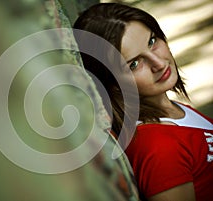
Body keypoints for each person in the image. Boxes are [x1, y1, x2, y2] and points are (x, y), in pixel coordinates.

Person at [73, 3, 213, 201]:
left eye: (152, 41)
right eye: (134, 64)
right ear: (111, 83)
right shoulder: (160, 148)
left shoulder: (170, 110)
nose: (158, 63)